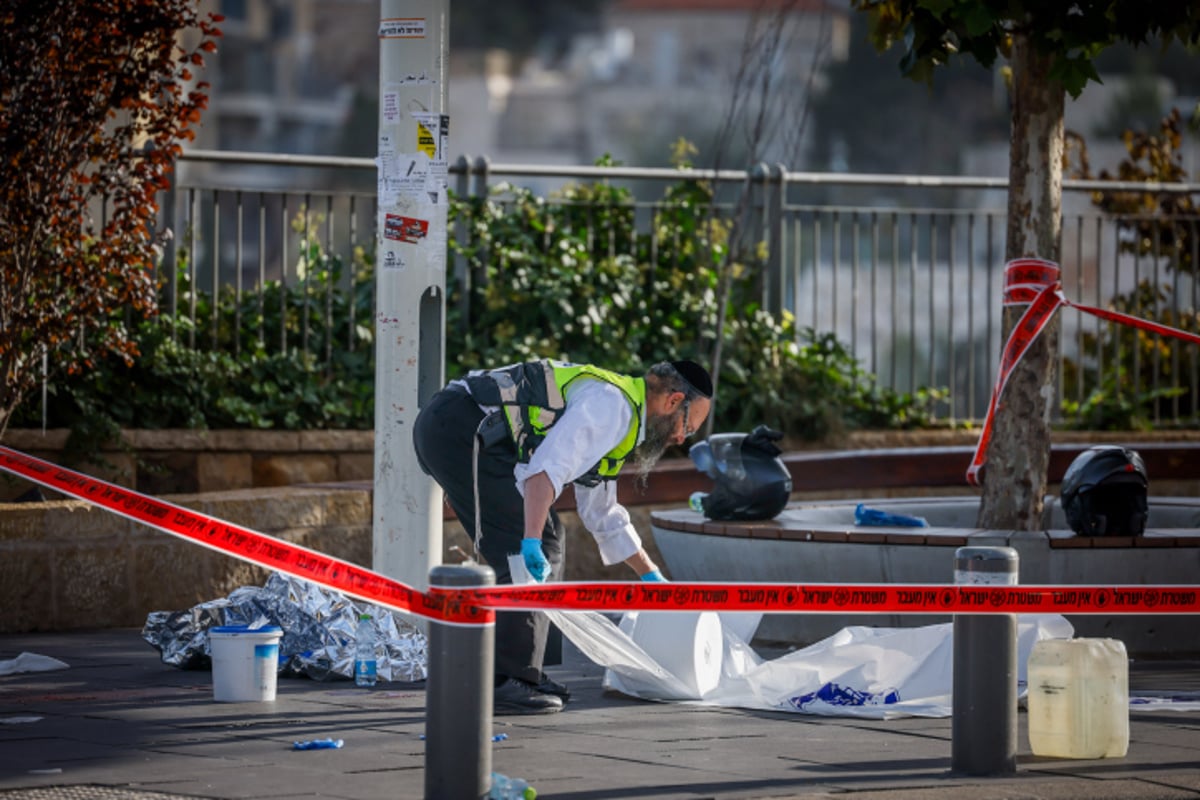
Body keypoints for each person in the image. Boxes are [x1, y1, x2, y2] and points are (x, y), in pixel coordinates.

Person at [412, 358, 714, 714]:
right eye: (688, 427)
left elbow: (601, 511)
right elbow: (544, 472)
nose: (680, 438)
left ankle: (527, 672)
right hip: (459, 428)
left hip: (464, 430)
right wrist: (528, 541)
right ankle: (506, 681)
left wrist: (650, 575)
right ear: (673, 401)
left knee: (552, 536)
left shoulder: (623, 415)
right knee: (528, 546)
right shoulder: (610, 405)